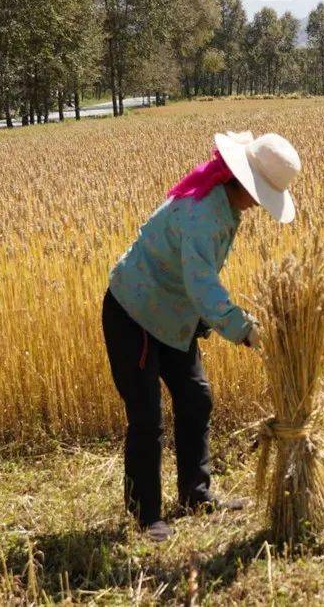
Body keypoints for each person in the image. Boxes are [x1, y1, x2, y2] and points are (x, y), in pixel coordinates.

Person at [102, 131, 301, 542]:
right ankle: (146, 515)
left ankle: (195, 493)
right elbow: (201, 284)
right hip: (135, 311)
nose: (260, 205)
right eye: (260, 194)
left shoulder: (222, 204)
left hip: (173, 315)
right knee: (147, 417)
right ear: (243, 182)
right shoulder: (202, 214)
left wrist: (219, 320)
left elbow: (195, 282)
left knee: (195, 397)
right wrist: (245, 330)